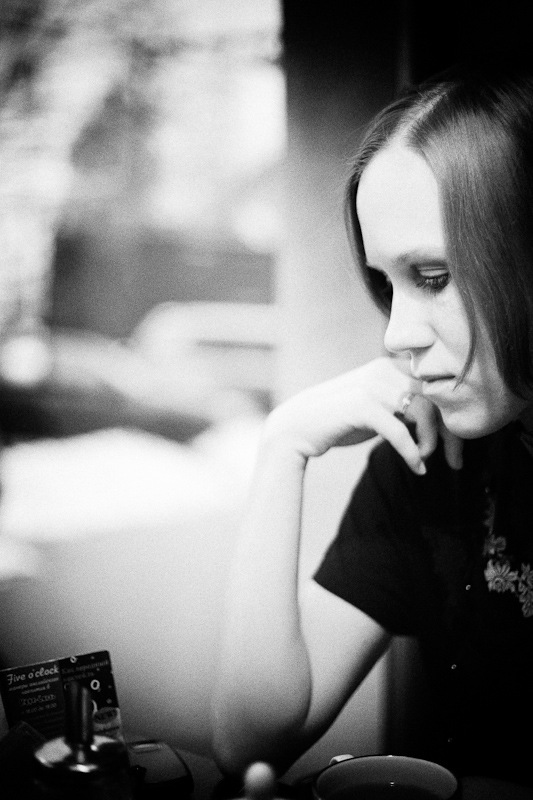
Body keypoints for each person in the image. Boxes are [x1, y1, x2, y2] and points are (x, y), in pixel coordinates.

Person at [211, 61, 533, 790]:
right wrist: (284, 445)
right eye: (387, 284)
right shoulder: (427, 458)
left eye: (433, 277)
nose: (395, 334)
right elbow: (250, 743)